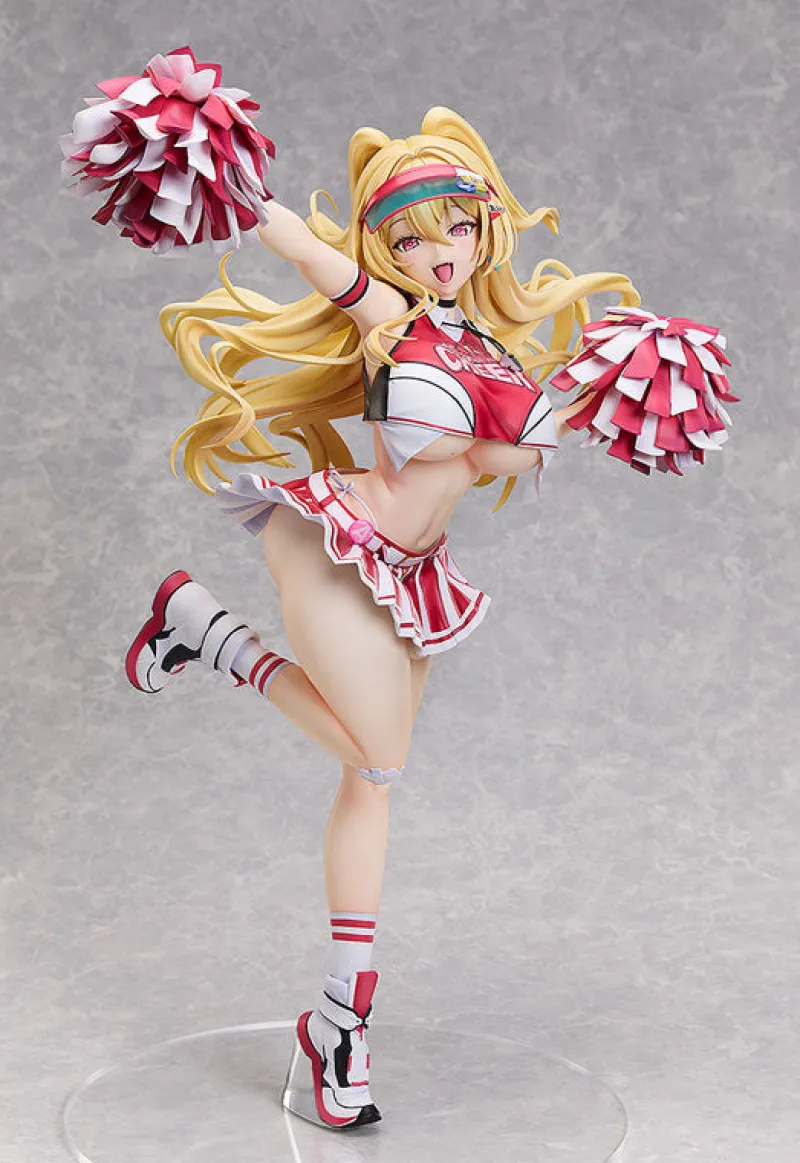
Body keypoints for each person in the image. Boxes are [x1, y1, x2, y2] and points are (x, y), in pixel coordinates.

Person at [125, 105, 639, 1129]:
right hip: (335, 544)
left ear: (483, 229)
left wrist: (631, 384)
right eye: (409, 236)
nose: (435, 251)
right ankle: (211, 637)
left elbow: (514, 441)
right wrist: (229, 183)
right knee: (376, 754)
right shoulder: (388, 318)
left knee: (369, 778)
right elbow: (304, 248)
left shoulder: (494, 352)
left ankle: (335, 1020)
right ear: (385, 248)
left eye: (454, 227)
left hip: (412, 572)